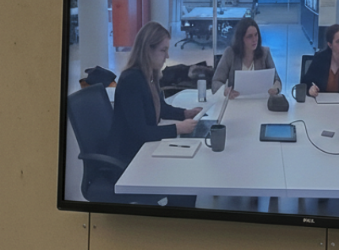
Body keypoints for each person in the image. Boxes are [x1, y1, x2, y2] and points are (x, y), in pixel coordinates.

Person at [108, 22, 201, 207]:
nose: (167, 56)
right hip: (129, 158)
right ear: (147, 50)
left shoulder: (150, 75)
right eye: (163, 50)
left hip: (144, 148)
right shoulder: (131, 80)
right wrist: (177, 128)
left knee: (187, 172)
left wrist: (185, 113)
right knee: (184, 180)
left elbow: (161, 108)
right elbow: (141, 132)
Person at [210, 18, 282, 98]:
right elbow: (216, 82)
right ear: (241, 39)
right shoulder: (230, 53)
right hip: (235, 101)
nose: (254, 39)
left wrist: (276, 89)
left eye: (256, 35)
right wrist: (225, 90)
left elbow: (277, 80)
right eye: (249, 36)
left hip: (259, 101)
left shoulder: (265, 53)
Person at [303, 24, 339, 97]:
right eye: (338, 41)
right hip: (322, 100)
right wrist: (310, 89)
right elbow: (305, 82)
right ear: (330, 45)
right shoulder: (320, 58)